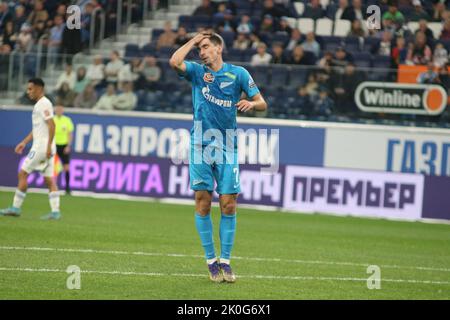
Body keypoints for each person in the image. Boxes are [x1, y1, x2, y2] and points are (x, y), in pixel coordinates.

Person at [169, 32, 267, 283]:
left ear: (218, 49)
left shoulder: (239, 74)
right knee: (202, 202)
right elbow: (174, 62)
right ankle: (211, 261)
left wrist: (250, 104)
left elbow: (262, 102)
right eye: (199, 48)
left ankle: (226, 260)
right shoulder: (197, 72)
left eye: (205, 47)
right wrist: (192, 41)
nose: (201, 52)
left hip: (228, 146)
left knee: (228, 204)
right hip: (201, 142)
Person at [0, 78, 61, 220]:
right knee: (49, 180)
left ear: (39, 88)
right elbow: (39, 128)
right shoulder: (41, 104)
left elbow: (52, 125)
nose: (28, 92)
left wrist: (47, 146)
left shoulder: (44, 104)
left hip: (41, 147)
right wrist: (24, 142)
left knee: (22, 174)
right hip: (48, 147)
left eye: (30, 89)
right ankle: (55, 212)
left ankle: (15, 208)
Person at [54, 105, 74, 194]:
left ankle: (67, 187)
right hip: (54, 146)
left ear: (63, 110)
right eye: (57, 109)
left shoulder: (67, 120)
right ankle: (54, 186)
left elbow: (70, 134)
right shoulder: (52, 120)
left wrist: (68, 145)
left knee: (66, 168)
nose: (59, 111)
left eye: (60, 109)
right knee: (54, 168)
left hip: (64, 146)